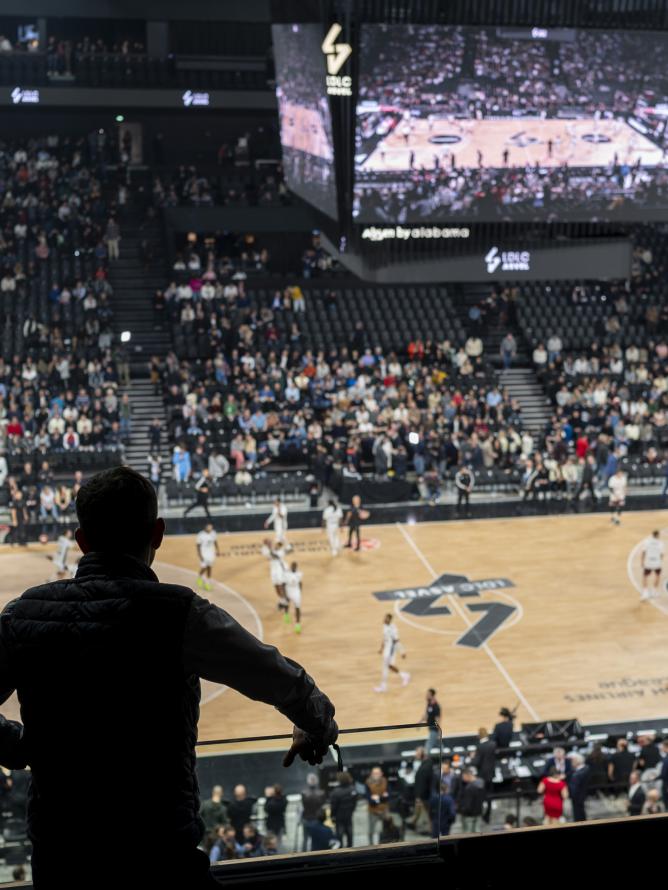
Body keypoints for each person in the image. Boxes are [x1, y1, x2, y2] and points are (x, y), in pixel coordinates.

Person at [0, 466, 338, 888]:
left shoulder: (22, 614)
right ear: (157, 533)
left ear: (81, 540)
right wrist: (316, 723)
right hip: (158, 852)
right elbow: (277, 676)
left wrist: (19, 747)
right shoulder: (180, 614)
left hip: (60, 857)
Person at [375, 613, 410, 693]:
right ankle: (405, 675)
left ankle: (383, 687)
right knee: (389, 667)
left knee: (385, 668)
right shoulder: (384, 626)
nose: (384, 619)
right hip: (386, 650)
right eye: (384, 618)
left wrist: (402, 651)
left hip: (390, 650)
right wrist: (381, 649)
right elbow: (384, 638)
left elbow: (396, 641)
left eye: (386, 618)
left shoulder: (393, 629)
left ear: (390, 620)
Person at [472, 728, 497, 823]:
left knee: (481, 795)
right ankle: (488, 815)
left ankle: (480, 813)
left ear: (479, 735)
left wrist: (472, 758)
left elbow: (476, 762)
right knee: (490, 795)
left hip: (482, 775)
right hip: (490, 774)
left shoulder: (480, 746)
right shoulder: (493, 744)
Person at [261, 538, 289, 614]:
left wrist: (269, 548)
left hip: (280, 570)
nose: (277, 546)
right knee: (276, 587)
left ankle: (285, 601)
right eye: (276, 544)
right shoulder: (268, 549)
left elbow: (275, 556)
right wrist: (266, 546)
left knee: (280, 586)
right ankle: (282, 600)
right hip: (273, 571)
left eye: (279, 545)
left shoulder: (281, 551)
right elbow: (267, 555)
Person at [330, 771, 357, 847]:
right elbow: (354, 803)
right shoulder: (353, 789)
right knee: (350, 837)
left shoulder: (335, 792)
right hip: (349, 817)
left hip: (339, 818)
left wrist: (332, 816)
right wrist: (351, 811)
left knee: (339, 839)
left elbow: (333, 807)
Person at [457, 767, 485, 833]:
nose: (463, 779)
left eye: (463, 777)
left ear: (468, 775)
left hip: (469, 814)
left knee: (468, 833)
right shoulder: (481, 783)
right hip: (478, 812)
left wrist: (462, 810)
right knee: (477, 831)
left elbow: (468, 803)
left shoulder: (469, 787)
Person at [366, 766, 389, 845]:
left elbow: (388, 796)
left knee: (385, 829)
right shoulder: (368, 782)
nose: (376, 774)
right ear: (371, 774)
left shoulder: (385, 781)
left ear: (381, 774)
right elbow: (369, 799)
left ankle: (384, 843)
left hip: (384, 809)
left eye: (377, 773)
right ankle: (371, 845)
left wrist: (377, 798)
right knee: (371, 830)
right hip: (373, 810)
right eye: (374, 773)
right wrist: (381, 797)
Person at [641, 530, 664, 601]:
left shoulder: (646, 542)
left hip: (648, 562)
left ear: (652, 535)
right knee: (657, 576)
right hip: (657, 562)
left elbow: (644, 552)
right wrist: (659, 560)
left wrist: (642, 561)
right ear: (658, 535)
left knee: (645, 576)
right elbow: (662, 554)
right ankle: (654, 591)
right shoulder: (661, 543)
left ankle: (645, 593)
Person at [196, 522, 219, 591]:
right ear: (205, 527)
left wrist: (217, 550)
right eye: (209, 527)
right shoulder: (201, 535)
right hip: (204, 554)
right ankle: (199, 577)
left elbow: (215, 541)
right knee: (204, 567)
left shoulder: (213, 533)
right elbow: (198, 545)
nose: (210, 528)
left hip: (211, 554)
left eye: (211, 527)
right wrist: (200, 555)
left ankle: (208, 582)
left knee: (209, 567)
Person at [568, 754, 590, 822]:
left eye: (573, 761)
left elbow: (574, 788)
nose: (571, 763)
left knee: (578, 814)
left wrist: (570, 795)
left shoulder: (578, 774)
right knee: (581, 812)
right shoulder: (586, 768)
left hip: (577, 797)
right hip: (582, 795)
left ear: (577, 761)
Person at [284, 560, 303, 634]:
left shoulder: (299, 574)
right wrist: (285, 594)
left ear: (296, 567)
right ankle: (286, 614)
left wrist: (300, 592)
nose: (293, 567)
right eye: (292, 566)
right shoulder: (286, 574)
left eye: (295, 566)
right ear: (291, 566)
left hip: (296, 592)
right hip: (288, 590)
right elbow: (283, 584)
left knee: (297, 607)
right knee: (286, 604)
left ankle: (297, 624)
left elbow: (301, 583)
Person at [421, 688, 441, 753]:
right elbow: (426, 715)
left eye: (428, 694)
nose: (426, 695)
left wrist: (439, 730)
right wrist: (420, 722)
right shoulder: (429, 703)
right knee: (439, 745)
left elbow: (437, 719)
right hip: (431, 729)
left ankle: (425, 760)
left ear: (432, 695)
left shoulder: (436, 706)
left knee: (428, 746)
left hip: (434, 729)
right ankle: (445, 756)